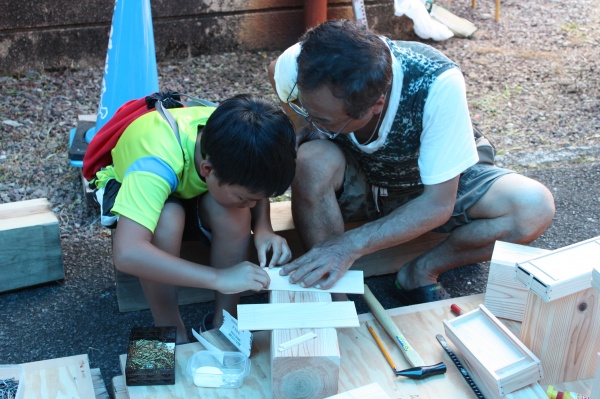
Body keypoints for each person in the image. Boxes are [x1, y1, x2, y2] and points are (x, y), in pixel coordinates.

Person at [267, 20, 555, 304]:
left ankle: (420, 271)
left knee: (533, 207)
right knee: (309, 161)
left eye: (325, 118)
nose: (313, 120)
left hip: (429, 184)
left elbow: (438, 204)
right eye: (306, 108)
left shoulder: (436, 83)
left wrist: (350, 244)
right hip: (364, 178)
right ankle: (334, 297)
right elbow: (275, 72)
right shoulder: (301, 63)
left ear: (376, 104)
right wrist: (312, 124)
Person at [90, 94, 297, 342]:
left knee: (235, 213)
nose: (252, 205)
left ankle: (226, 324)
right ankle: (169, 328)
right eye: (246, 197)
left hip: (187, 183)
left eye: (256, 199)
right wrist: (220, 278)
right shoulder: (154, 163)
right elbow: (127, 253)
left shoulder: (239, 139)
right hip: (137, 184)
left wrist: (264, 228)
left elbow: (255, 185)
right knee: (167, 218)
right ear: (207, 170)